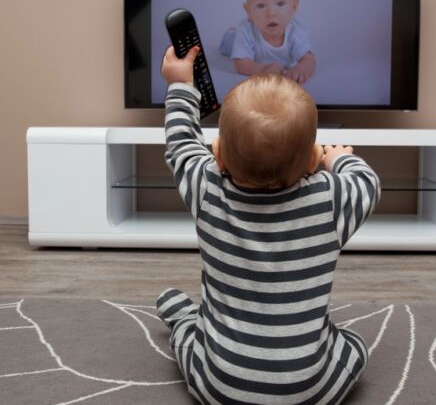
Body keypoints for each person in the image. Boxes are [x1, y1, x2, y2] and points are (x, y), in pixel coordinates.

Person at [157, 45, 380, 404]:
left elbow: (180, 143)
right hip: (310, 391)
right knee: (355, 347)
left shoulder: (206, 190)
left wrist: (181, 85)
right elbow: (368, 182)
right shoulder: (332, 200)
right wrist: (339, 160)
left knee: (188, 338)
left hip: (220, 387)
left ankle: (186, 319)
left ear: (217, 155)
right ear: (312, 159)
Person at [219, 0, 316, 84]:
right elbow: (240, 63)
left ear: (294, 6)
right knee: (231, 43)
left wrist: (301, 69)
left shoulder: (296, 32)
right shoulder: (246, 31)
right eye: (261, 5)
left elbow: (309, 60)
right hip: (235, 41)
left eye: (280, 4)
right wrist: (263, 69)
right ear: (248, 11)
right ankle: (230, 34)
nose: (271, 13)